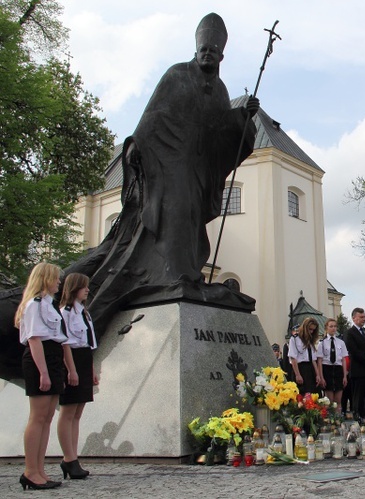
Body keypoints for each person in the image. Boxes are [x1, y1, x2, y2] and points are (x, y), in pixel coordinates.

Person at [60, 13, 261, 333]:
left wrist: (242, 118)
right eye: (203, 50)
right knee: (177, 210)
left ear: (222, 55)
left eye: (213, 50)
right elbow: (154, 114)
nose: (207, 54)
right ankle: (174, 275)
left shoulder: (221, 90)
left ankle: (184, 274)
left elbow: (220, 132)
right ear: (196, 52)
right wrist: (137, 146)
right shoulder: (177, 75)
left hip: (197, 165)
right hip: (168, 161)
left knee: (192, 218)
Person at [15, 262, 67, 490]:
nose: (59, 282)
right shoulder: (34, 305)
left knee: (47, 417)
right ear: (46, 279)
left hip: (52, 354)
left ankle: (40, 469)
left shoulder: (49, 304)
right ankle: (30, 471)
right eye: (56, 278)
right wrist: (43, 372)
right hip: (40, 357)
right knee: (37, 417)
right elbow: (35, 339)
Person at [57, 273, 98, 480]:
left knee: (77, 413)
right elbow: (65, 345)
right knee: (68, 411)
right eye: (84, 287)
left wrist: (91, 370)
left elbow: (88, 345)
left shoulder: (84, 312)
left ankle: (73, 458)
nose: (87, 290)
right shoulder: (65, 312)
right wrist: (71, 370)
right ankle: (68, 458)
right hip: (70, 360)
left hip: (83, 360)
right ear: (74, 288)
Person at [344, 308, 365, 420]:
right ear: (354, 318)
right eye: (361, 317)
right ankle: (359, 420)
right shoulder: (350, 333)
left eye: (364, 317)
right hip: (359, 371)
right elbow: (354, 351)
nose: (363, 319)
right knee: (358, 399)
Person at [317, 318, 348, 413]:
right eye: (331, 326)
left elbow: (343, 360)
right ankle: (329, 421)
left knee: (338, 399)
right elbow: (320, 361)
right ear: (326, 328)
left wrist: (345, 376)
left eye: (335, 326)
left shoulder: (341, 342)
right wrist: (321, 377)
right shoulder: (321, 343)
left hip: (338, 370)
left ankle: (338, 419)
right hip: (327, 369)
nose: (333, 328)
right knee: (329, 400)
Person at [288, 317, 322, 396]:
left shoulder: (310, 340)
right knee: (302, 395)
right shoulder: (295, 339)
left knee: (314, 395)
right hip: (300, 368)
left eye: (313, 330)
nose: (311, 331)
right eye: (310, 329)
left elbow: (313, 360)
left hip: (311, 369)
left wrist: (317, 375)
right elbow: (293, 358)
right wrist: (298, 374)